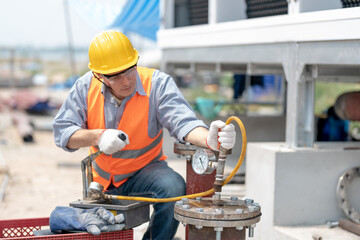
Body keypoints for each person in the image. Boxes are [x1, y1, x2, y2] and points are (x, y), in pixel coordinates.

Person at [52, 30, 236, 240]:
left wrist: (208, 138)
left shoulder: (157, 84)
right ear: (100, 76)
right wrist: (98, 136)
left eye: (130, 70)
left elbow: (183, 121)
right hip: (101, 179)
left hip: (145, 171)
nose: (127, 81)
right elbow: (63, 132)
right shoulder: (85, 87)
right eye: (116, 76)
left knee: (174, 187)